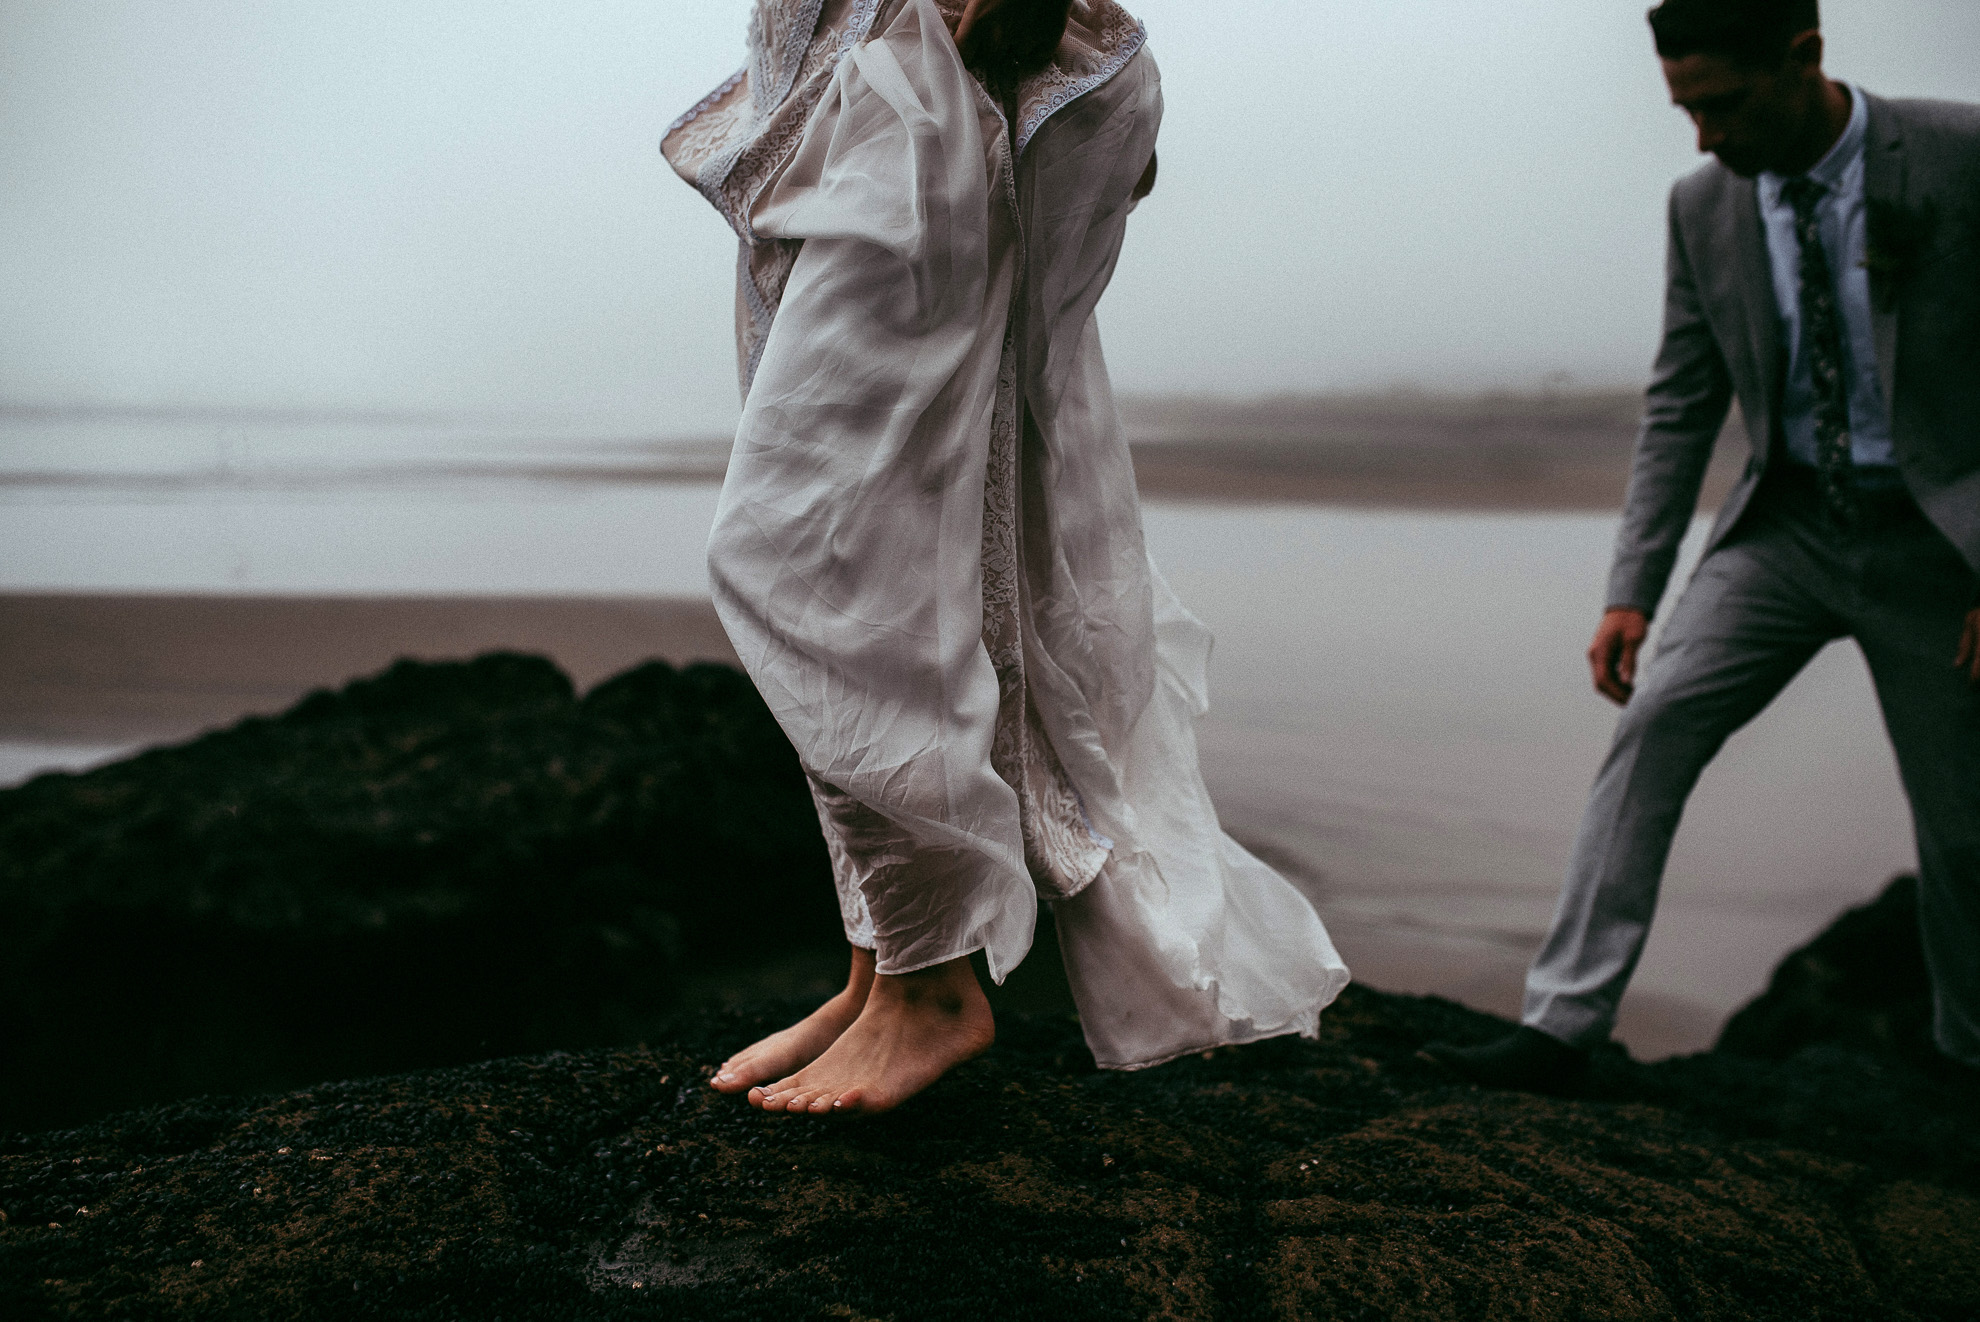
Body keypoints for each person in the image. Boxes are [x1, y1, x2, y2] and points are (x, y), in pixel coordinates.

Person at [661, 0, 1348, 1115]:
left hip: (932, 71)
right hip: (859, 78)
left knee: (811, 554)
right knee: (917, 525)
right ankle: (885, 958)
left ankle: (932, 987)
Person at [1426, 0, 1980, 1093]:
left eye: (1721, 105)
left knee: (1963, 826)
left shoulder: (1962, 157)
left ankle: (1969, 1063)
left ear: (1804, 54)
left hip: (1941, 545)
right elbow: (1682, 403)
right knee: (1654, 727)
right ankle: (1559, 1026)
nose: (1703, 137)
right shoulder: (1701, 205)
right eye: (1684, 109)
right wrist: (1631, 588)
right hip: (1785, 531)